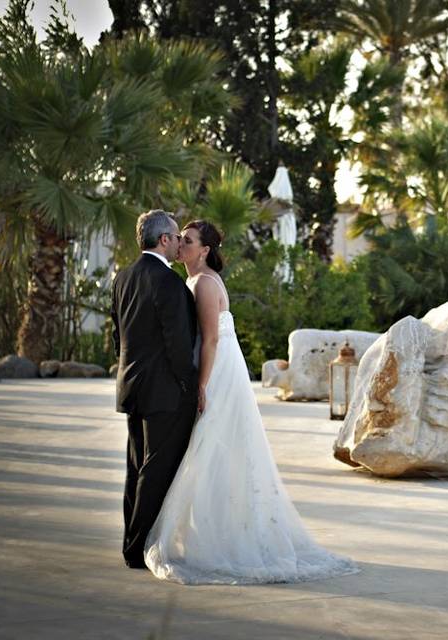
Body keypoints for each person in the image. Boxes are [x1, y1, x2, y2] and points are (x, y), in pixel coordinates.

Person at [144, 220, 358, 585]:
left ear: (205, 250)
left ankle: (222, 538)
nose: (181, 244)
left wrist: (202, 385)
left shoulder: (205, 284)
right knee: (211, 450)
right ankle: (210, 530)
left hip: (219, 371)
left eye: (189, 241)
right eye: (180, 239)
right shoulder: (194, 281)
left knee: (213, 447)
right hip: (217, 365)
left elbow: (210, 340)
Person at [111, 210, 198, 570]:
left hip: (131, 386)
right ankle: (137, 548)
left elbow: (117, 335)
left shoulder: (123, 278)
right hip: (165, 391)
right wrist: (189, 386)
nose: (180, 243)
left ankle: (131, 542)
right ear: (164, 240)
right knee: (156, 468)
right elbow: (178, 344)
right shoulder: (169, 283)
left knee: (137, 466)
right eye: (177, 237)